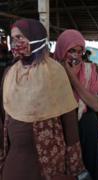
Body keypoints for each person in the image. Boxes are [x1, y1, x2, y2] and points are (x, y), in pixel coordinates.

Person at [1, 19, 85, 180]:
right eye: (13, 38)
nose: (15, 43)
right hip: (15, 165)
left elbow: (70, 125)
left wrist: (74, 172)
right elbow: (3, 119)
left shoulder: (55, 73)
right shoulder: (10, 74)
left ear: (36, 38)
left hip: (50, 167)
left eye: (20, 37)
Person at [54, 29, 98, 179]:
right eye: (71, 50)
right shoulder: (51, 71)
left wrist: (71, 76)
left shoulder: (89, 70)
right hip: (60, 126)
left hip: (85, 129)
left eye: (79, 51)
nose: (75, 55)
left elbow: (95, 105)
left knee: (90, 121)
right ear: (62, 49)